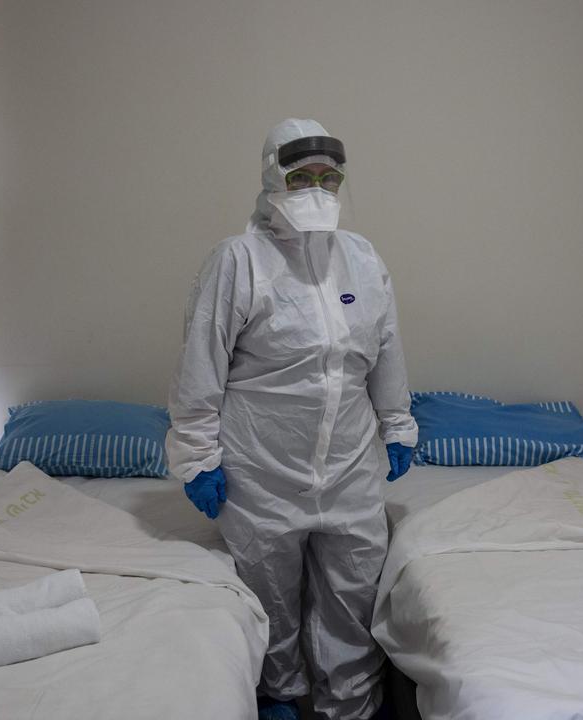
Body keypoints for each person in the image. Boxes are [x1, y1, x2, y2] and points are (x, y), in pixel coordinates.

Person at [166, 118, 417, 720]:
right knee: (270, 595)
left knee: (353, 592)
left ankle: (348, 703)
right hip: (263, 469)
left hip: (351, 465)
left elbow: (386, 350)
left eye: (329, 179)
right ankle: (278, 695)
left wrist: (398, 422)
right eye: (301, 176)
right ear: (272, 178)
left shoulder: (360, 257)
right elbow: (201, 367)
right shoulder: (239, 260)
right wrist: (198, 458)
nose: (316, 190)